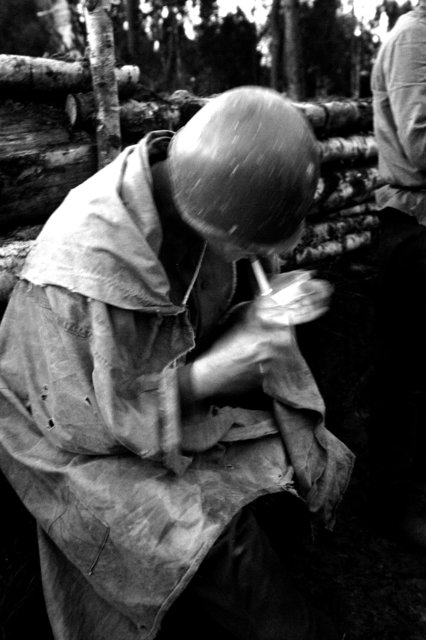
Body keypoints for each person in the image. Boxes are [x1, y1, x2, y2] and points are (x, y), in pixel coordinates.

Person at [0, 86, 354, 640]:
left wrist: (262, 310)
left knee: (292, 433)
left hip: (145, 396)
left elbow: (210, 295)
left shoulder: (202, 188)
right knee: (207, 532)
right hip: (60, 432)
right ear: (217, 222)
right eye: (246, 245)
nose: (260, 257)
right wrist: (206, 378)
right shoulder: (86, 269)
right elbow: (82, 423)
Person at [370, 1, 426, 547]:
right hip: (412, 229)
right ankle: (394, 504)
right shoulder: (415, 38)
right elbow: (419, 142)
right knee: (407, 373)